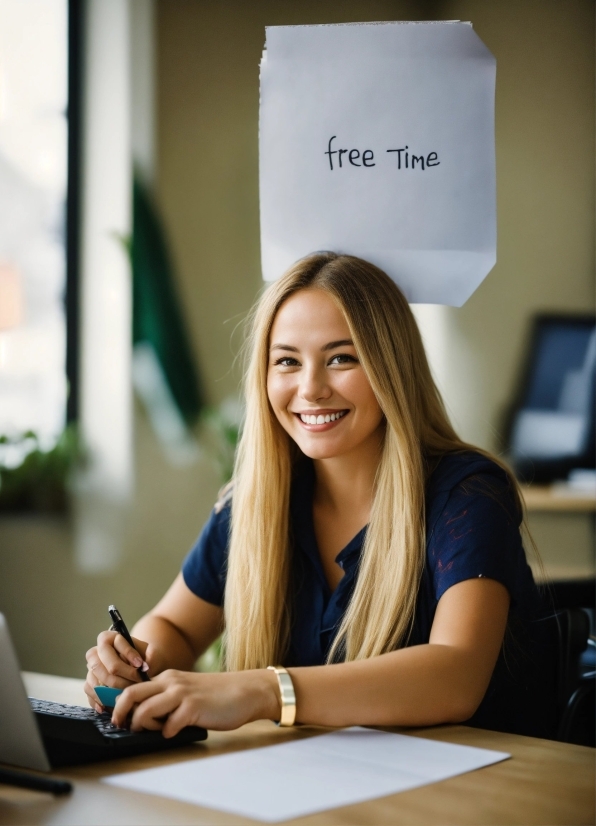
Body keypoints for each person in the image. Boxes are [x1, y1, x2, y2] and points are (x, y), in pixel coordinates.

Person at [84, 252, 556, 739]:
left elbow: (455, 675)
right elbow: (176, 628)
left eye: (341, 359)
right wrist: (133, 662)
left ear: (390, 367)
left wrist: (265, 691)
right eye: (287, 361)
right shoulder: (254, 503)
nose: (310, 389)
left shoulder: (467, 495)